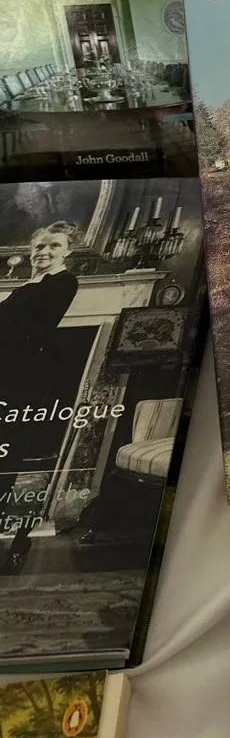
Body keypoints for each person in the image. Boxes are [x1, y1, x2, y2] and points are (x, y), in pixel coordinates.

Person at [0, 221, 81, 573]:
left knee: (7, 452)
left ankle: (15, 537)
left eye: (54, 246)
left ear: (67, 251)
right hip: (9, 375)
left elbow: (28, 329)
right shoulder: (27, 286)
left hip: (22, 381)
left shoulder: (62, 283)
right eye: (39, 246)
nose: (44, 251)